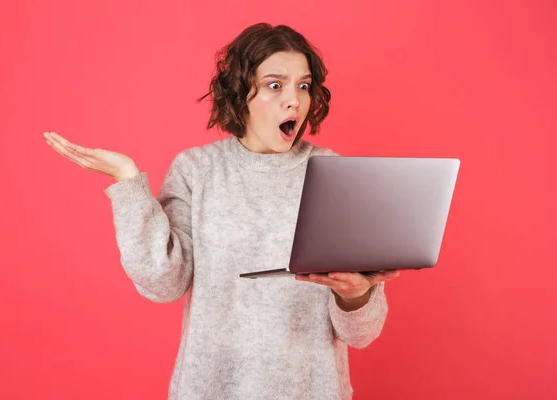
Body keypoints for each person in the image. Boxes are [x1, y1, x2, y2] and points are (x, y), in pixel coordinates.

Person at [44, 22, 399, 400]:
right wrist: (127, 182)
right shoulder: (197, 170)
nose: (294, 100)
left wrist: (356, 295)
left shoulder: (332, 172)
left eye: (304, 85)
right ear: (239, 93)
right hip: (210, 388)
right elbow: (163, 284)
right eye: (275, 85)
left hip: (311, 390)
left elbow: (362, 332)